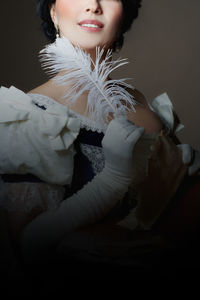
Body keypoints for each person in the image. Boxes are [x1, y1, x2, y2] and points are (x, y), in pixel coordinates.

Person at [0, 0, 199, 268]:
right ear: (52, 11)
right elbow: (28, 247)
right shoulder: (31, 114)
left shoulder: (143, 106)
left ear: (124, 12)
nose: (93, 5)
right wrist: (112, 180)